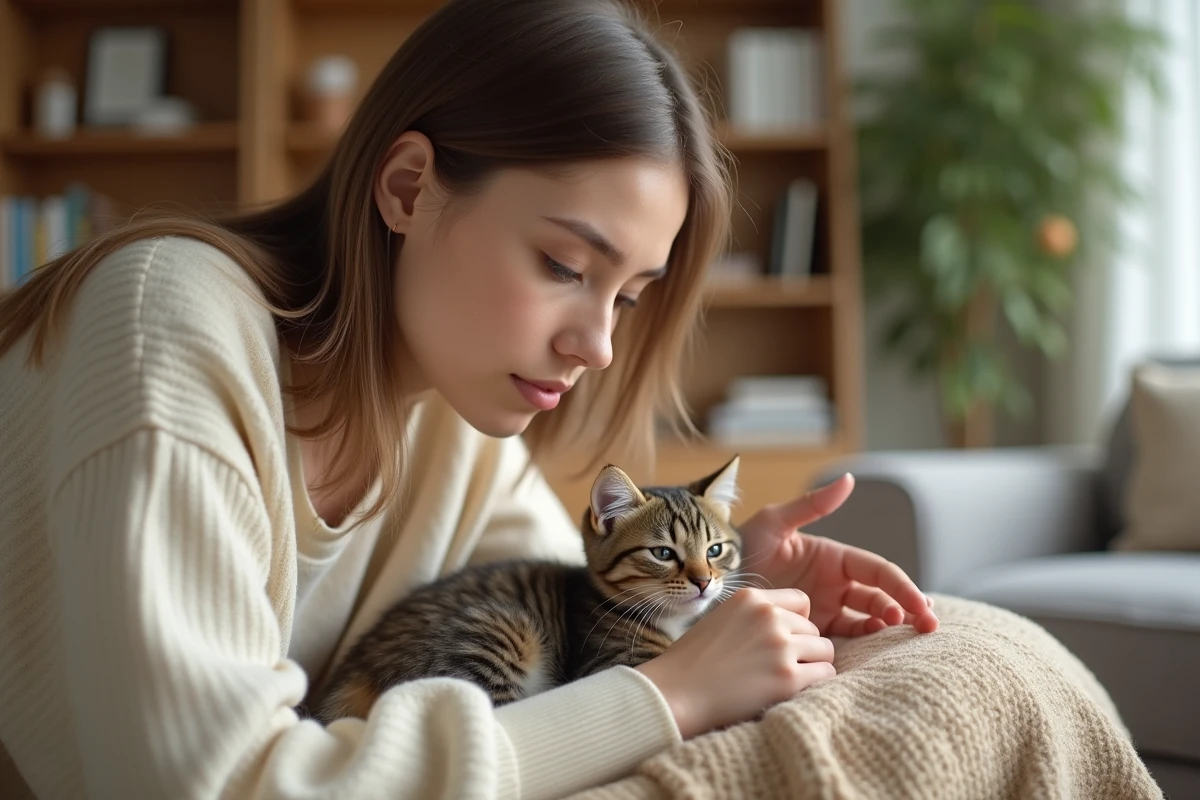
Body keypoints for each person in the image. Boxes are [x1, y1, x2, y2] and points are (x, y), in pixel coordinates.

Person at [0, 0, 938, 797]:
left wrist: (723, 587)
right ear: (408, 187)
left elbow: (571, 601)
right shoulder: (166, 332)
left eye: (629, 296)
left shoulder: (445, 408)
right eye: (564, 265)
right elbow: (222, 782)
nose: (599, 345)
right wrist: (668, 697)